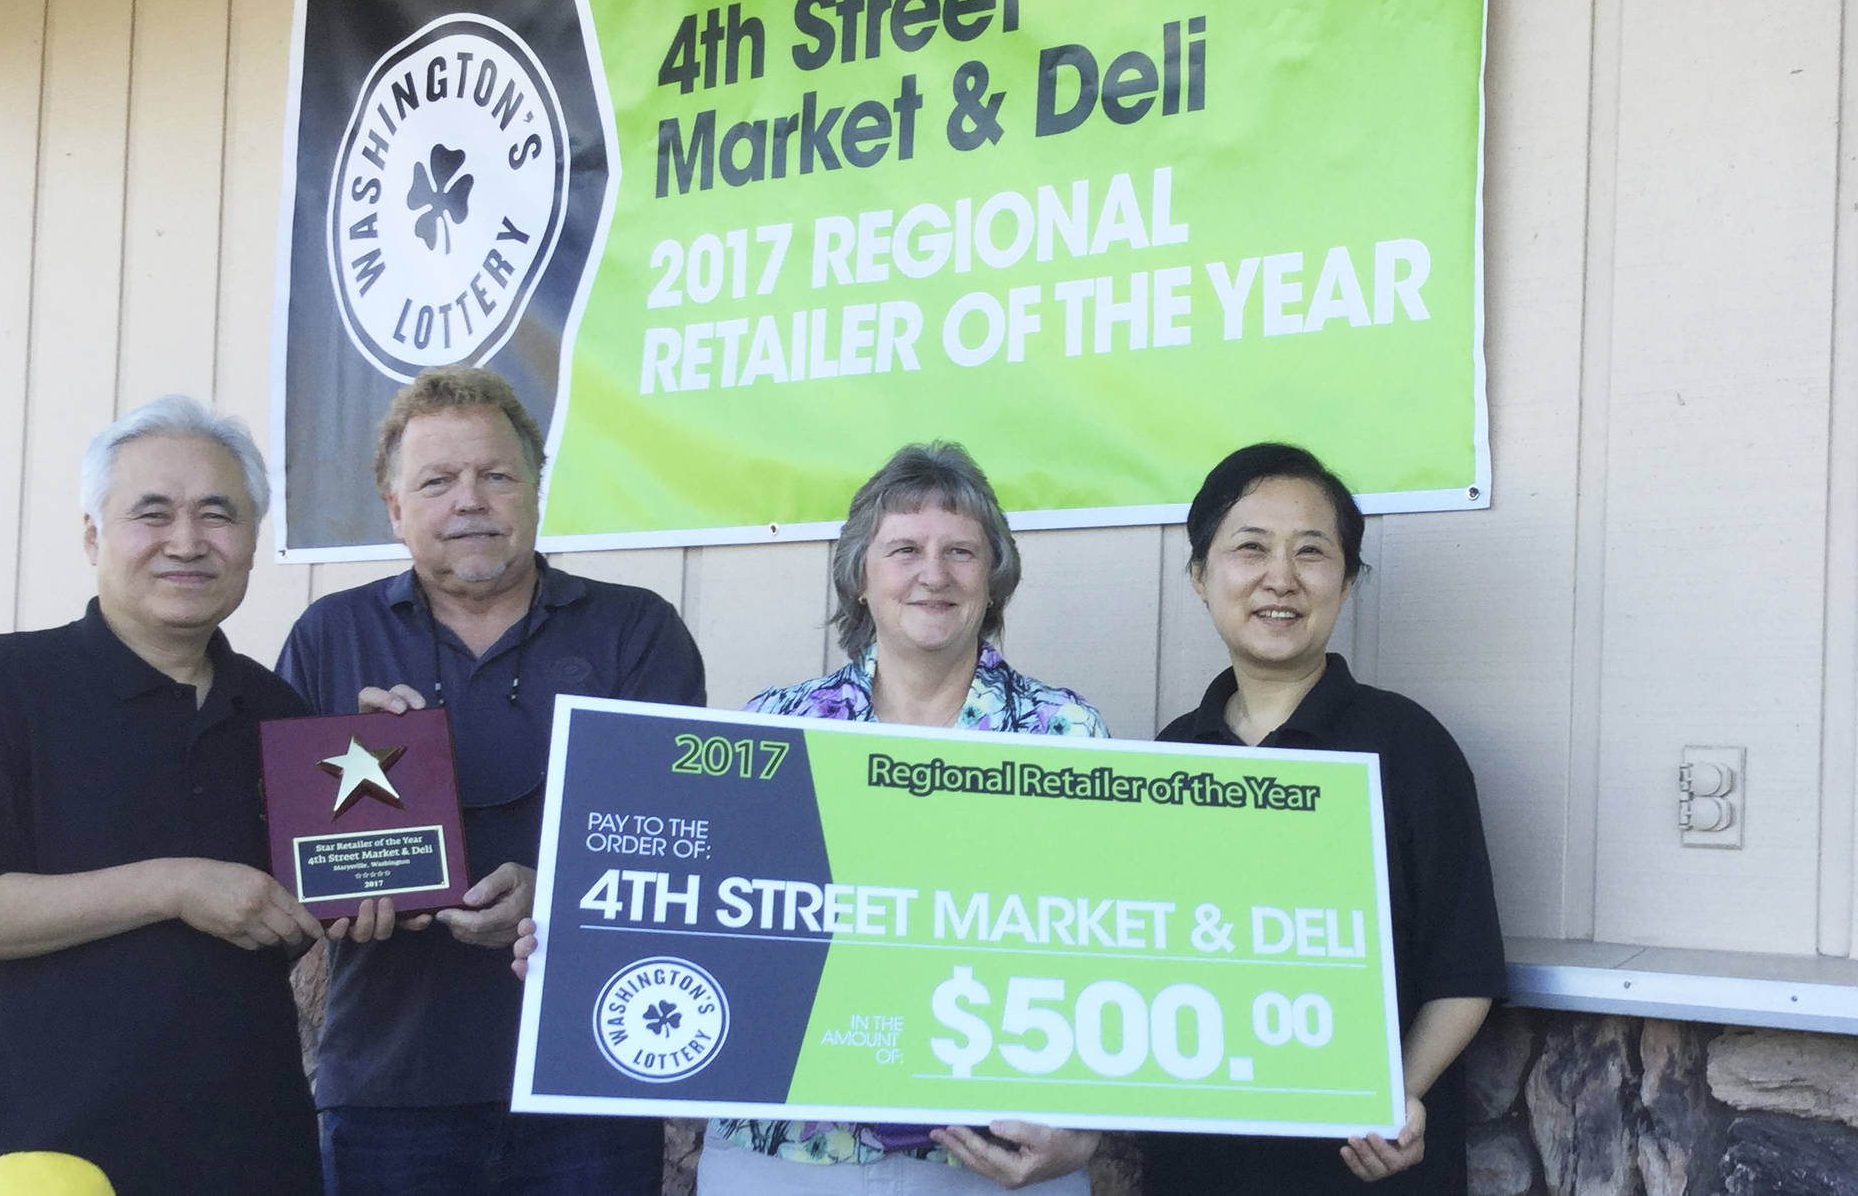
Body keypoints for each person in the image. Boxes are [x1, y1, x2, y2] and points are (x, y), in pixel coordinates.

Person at [521, 441, 1106, 1194]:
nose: (934, 573)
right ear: (860, 578)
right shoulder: (774, 724)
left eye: (961, 550)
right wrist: (580, 941)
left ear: (994, 580)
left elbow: (1104, 937)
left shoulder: (1066, 733)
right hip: (786, 1151)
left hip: (993, 1155)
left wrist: (1089, 1120)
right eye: (904, 550)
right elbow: (698, 904)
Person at [277, 365, 706, 1196]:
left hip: (590, 1075)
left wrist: (558, 893)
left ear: (537, 490)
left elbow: (685, 844)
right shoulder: (331, 638)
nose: (470, 499)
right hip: (390, 1087)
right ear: (395, 508)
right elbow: (277, 861)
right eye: (437, 481)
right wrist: (343, 837)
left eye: (496, 475)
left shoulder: (636, 631)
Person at [0, 396, 329, 1195]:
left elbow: (298, 911)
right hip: (53, 1167)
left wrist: (392, 781)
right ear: (93, 534)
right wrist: (175, 885)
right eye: (152, 513)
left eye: (218, 515)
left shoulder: (280, 716)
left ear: (252, 542)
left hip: (258, 1160)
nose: (188, 541)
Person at [1139, 443, 1505, 1193]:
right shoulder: (1170, 756)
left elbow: (1463, 967)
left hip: (1362, 1164)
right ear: (1202, 576)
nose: (1281, 578)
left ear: (1345, 582)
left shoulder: (1409, 747)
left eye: (1312, 552)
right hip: (1197, 1164)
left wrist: (1395, 1093)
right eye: (1251, 548)